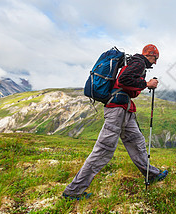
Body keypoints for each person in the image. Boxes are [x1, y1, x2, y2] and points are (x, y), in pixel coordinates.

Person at [62, 44, 168, 200]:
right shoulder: (138, 63)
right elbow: (124, 80)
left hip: (125, 109)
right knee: (103, 150)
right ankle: (73, 191)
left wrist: (142, 85)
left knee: (136, 142)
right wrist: (146, 84)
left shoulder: (135, 62)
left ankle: (151, 174)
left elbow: (128, 85)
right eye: (155, 58)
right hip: (117, 110)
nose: (155, 62)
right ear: (149, 55)